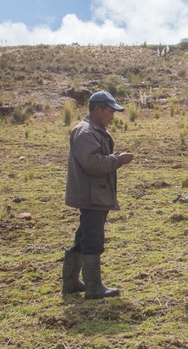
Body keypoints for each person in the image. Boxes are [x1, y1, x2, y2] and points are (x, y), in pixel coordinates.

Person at [62, 91, 134, 299]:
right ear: (97, 109)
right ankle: (94, 288)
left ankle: (71, 282)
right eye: (110, 111)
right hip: (92, 196)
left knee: (83, 236)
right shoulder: (85, 132)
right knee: (93, 239)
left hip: (94, 194)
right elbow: (93, 164)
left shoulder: (92, 130)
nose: (112, 116)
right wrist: (118, 160)